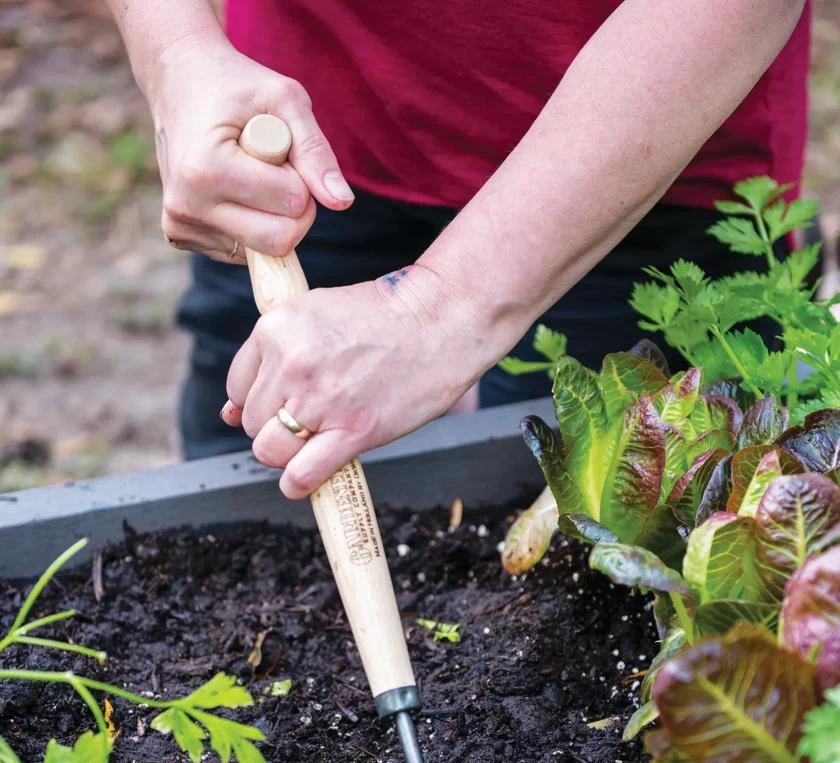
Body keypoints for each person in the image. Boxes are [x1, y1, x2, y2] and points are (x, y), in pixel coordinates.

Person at [106, 0, 810, 499]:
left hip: (639, 157)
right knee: (241, 518)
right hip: (300, 143)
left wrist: (437, 311)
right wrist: (180, 57)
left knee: (626, 570)